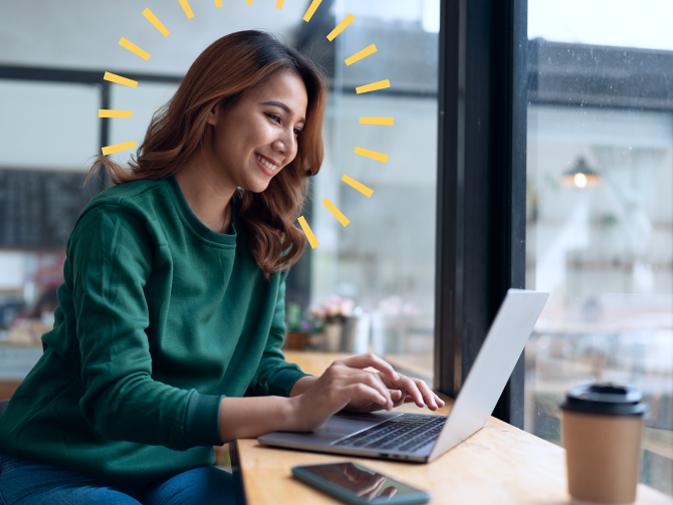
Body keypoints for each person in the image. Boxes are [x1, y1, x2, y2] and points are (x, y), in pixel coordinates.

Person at [0, 30, 443, 504]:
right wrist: (295, 412)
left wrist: (329, 391)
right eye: (274, 117)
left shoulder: (266, 236)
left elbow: (260, 367)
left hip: (172, 468)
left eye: (296, 129)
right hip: (58, 464)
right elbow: (119, 398)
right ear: (214, 107)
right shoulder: (119, 223)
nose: (287, 146)